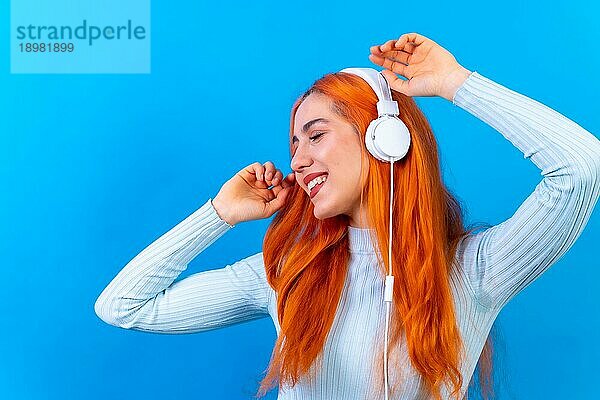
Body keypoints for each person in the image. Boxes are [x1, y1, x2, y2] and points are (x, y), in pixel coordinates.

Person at [94, 32, 600, 400]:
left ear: (383, 139)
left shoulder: (474, 269)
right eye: (294, 144)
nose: (296, 160)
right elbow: (123, 307)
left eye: (315, 135)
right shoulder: (284, 273)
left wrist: (455, 83)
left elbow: (580, 169)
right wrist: (218, 214)